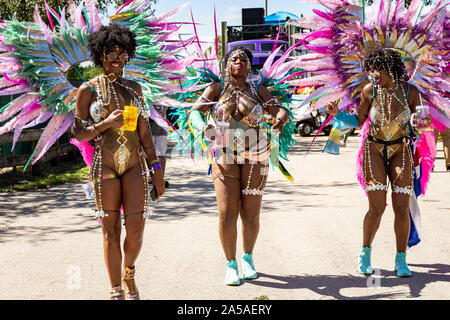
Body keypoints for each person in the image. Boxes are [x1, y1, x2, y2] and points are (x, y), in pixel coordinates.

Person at [72, 24, 165, 299]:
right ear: (100, 55)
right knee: (110, 230)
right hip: (106, 165)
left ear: (128, 56)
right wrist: (104, 124)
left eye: (121, 53)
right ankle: (115, 290)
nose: (116, 58)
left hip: (135, 164)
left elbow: (145, 133)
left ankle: (129, 273)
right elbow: (78, 133)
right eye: (110, 52)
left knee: (136, 231)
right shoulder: (87, 90)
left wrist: (157, 169)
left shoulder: (135, 89)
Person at [327, 48, 431, 277]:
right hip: (373, 148)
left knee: (402, 207)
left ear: (392, 69)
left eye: (378, 70)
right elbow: (358, 120)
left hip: (400, 149)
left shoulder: (411, 92)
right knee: (376, 207)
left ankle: (401, 259)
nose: (374, 75)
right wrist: (338, 115)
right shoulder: (369, 90)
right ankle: (365, 253)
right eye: (371, 70)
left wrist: (421, 122)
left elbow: (422, 121)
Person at [189, 47, 289, 285]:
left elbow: (281, 110)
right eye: (234, 59)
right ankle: (231, 264)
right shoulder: (216, 89)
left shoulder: (258, 91)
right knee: (226, 213)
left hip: (256, 156)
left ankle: (248, 258)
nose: (239, 62)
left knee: (251, 214)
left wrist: (279, 122)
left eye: (244, 59)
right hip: (224, 154)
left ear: (249, 66)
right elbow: (195, 112)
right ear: (227, 65)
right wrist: (204, 128)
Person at [149, 105, 170, 185]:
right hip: (149, 130)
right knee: (148, 155)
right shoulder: (146, 97)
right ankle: (152, 176)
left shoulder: (163, 98)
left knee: (160, 154)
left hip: (161, 130)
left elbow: (162, 111)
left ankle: (160, 177)